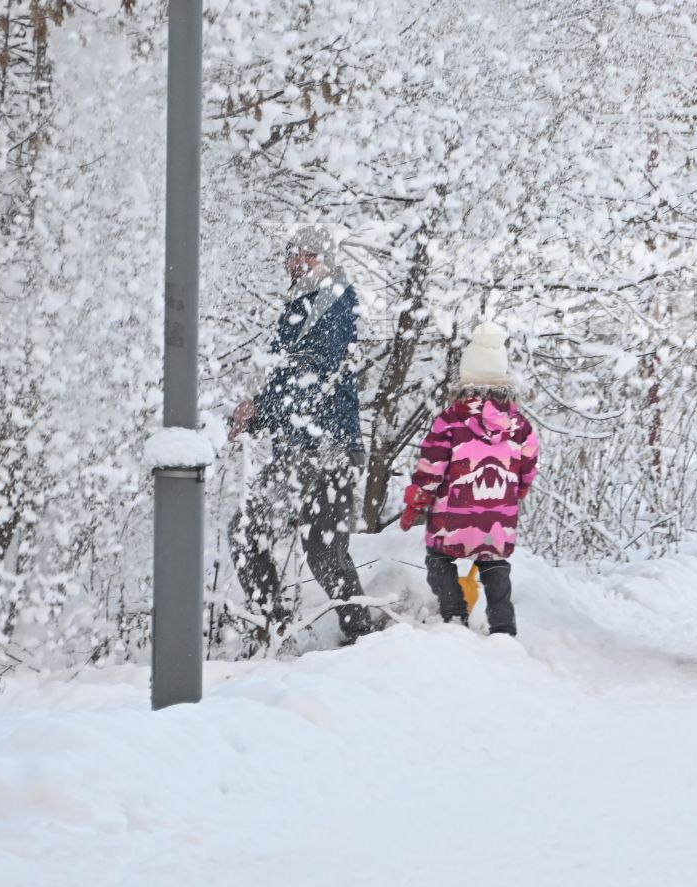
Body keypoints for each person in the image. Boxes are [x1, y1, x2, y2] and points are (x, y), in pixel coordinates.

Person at [227, 225, 378, 642]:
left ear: (319, 259)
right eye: (289, 255)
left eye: (300, 254)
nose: (291, 262)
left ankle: (353, 637)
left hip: (328, 447)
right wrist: (253, 416)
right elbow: (284, 382)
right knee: (268, 536)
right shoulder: (300, 305)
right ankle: (276, 629)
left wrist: (261, 408)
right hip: (306, 446)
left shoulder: (334, 301)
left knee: (308, 545)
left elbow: (310, 374)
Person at [399, 321, 541, 636]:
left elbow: (431, 468)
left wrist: (418, 498)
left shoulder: (450, 420)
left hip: (453, 514)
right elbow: (528, 463)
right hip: (498, 517)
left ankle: (454, 616)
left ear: (466, 375)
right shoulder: (519, 425)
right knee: (495, 566)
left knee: (439, 560)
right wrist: (519, 489)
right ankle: (503, 627)